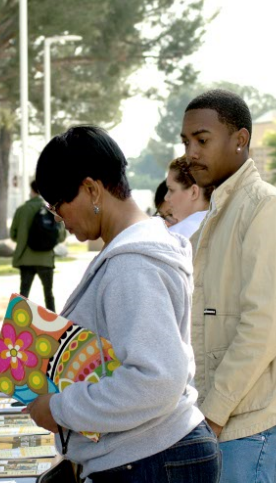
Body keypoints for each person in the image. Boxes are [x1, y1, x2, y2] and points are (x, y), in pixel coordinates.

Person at [26, 126, 220, 483]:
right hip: (152, 455)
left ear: (91, 189)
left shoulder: (133, 264)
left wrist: (60, 409)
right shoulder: (134, 250)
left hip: (151, 459)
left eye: (58, 206)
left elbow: (155, 379)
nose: (60, 220)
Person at [181, 89, 276, 482]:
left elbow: (263, 326)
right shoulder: (219, 211)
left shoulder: (266, 208)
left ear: (240, 140)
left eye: (202, 140)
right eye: (187, 141)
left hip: (252, 423)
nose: (192, 152)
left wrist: (212, 413)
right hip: (222, 419)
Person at [9, 180, 66, 311]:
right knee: (49, 295)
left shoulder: (22, 209)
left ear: (32, 190)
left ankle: (19, 327)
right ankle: (53, 327)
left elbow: (13, 234)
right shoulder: (52, 210)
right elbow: (61, 236)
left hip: (26, 258)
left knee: (23, 296)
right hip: (46, 259)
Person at [165, 155, 213, 238]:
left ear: (194, 192)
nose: (166, 197)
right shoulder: (226, 229)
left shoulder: (174, 237)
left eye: (171, 190)